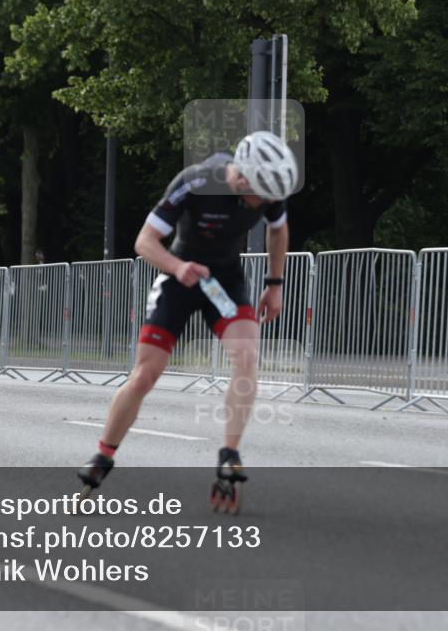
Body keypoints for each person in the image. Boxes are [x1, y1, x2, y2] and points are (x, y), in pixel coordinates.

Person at [77, 131, 298, 510]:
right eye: (258, 196)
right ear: (242, 177)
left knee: (246, 357)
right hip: (179, 275)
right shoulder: (195, 182)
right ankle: (103, 454)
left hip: (224, 280)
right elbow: (145, 242)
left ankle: (229, 454)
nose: (261, 205)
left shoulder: (268, 190)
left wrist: (274, 284)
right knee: (145, 375)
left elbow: (279, 231)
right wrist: (178, 268)